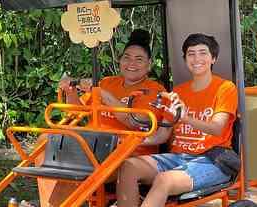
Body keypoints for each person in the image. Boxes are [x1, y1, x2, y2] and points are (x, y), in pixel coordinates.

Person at [30, 29, 171, 207]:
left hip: (123, 151)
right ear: (119, 60)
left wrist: (104, 95)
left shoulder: (154, 89)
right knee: (46, 141)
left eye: (139, 59)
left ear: (149, 64)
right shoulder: (107, 82)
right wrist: (71, 92)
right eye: (126, 57)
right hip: (89, 145)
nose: (131, 63)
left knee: (69, 156)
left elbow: (135, 121)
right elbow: (77, 112)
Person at [115, 33, 238, 207]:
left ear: (213, 58)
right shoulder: (178, 92)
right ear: (185, 59)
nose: (197, 58)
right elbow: (163, 135)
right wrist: (132, 141)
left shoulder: (225, 88)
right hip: (178, 157)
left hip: (212, 160)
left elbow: (217, 128)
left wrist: (186, 118)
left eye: (203, 53)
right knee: (128, 167)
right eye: (191, 54)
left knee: (164, 180)